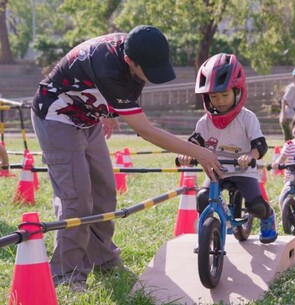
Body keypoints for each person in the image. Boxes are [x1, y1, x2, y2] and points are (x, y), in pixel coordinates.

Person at [30, 25, 222, 291]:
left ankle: (104, 258)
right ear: (130, 61)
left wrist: (110, 112)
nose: (153, 77)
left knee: (105, 191)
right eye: (149, 71)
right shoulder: (109, 67)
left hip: (88, 118)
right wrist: (198, 151)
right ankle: (67, 274)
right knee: (77, 197)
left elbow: (126, 88)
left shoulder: (136, 48)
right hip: (56, 116)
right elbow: (145, 131)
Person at [178, 53, 278, 244]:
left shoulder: (247, 118)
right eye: (214, 96)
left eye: (225, 95)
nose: (220, 101)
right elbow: (195, 142)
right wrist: (186, 154)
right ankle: (207, 233)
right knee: (203, 197)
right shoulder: (205, 122)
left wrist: (250, 156)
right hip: (217, 168)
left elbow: (260, 144)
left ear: (237, 92)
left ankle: (267, 217)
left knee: (256, 206)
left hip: (243, 169)